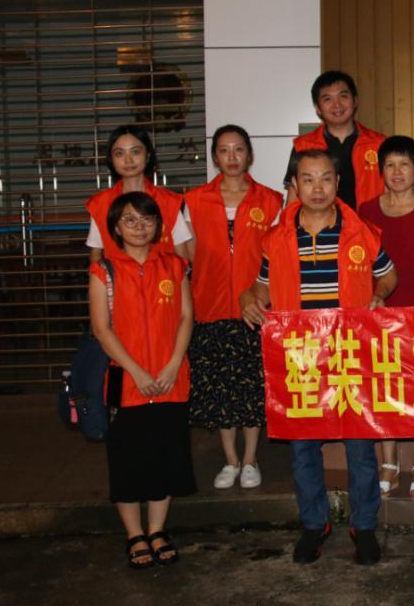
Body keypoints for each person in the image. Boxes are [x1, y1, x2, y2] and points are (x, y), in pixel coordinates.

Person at [241, 149, 397, 566]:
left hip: (350, 353)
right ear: (294, 184)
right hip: (300, 355)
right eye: (307, 179)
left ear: (338, 183)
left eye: (326, 178)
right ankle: (314, 523)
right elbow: (261, 286)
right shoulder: (276, 238)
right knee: (303, 447)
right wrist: (249, 298)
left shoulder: (361, 232)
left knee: (360, 447)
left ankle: (364, 525)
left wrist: (380, 295)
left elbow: (387, 274)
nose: (317, 188)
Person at [88, 192, 195, 570]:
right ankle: (135, 535)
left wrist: (173, 365)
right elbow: (101, 329)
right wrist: (136, 371)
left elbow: (186, 318)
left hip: (170, 380)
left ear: (158, 227)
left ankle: (157, 530)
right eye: (130, 220)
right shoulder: (104, 271)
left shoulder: (175, 266)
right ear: (116, 228)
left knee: (165, 456)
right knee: (128, 460)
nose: (139, 227)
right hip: (126, 381)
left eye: (147, 220)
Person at [182, 125, 283, 491]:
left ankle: (251, 458)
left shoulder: (270, 200)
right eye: (224, 150)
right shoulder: (194, 200)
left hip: (255, 309)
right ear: (215, 158)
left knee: (252, 389)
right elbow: (187, 254)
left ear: (249, 155)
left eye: (238, 149)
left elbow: (277, 257)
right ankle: (230, 459)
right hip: (209, 307)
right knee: (221, 390)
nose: (232, 157)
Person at [358, 136, 414, 501]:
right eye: (390, 165)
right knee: (384, 385)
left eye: (404, 164)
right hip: (380, 309)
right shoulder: (366, 211)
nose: (397, 172)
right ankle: (389, 460)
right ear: (381, 171)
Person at [86, 125, 191, 263]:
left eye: (135, 152)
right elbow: (96, 254)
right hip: (118, 277)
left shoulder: (169, 201)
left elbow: (182, 257)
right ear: (111, 159)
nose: (128, 160)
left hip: (163, 277)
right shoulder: (100, 203)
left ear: (147, 155)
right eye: (119, 153)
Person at [284, 70, 386, 209]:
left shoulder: (379, 144)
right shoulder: (303, 145)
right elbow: (293, 200)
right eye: (328, 99)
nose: (337, 104)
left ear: (355, 101)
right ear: (318, 108)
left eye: (343, 96)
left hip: (368, 222)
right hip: (319, 222)